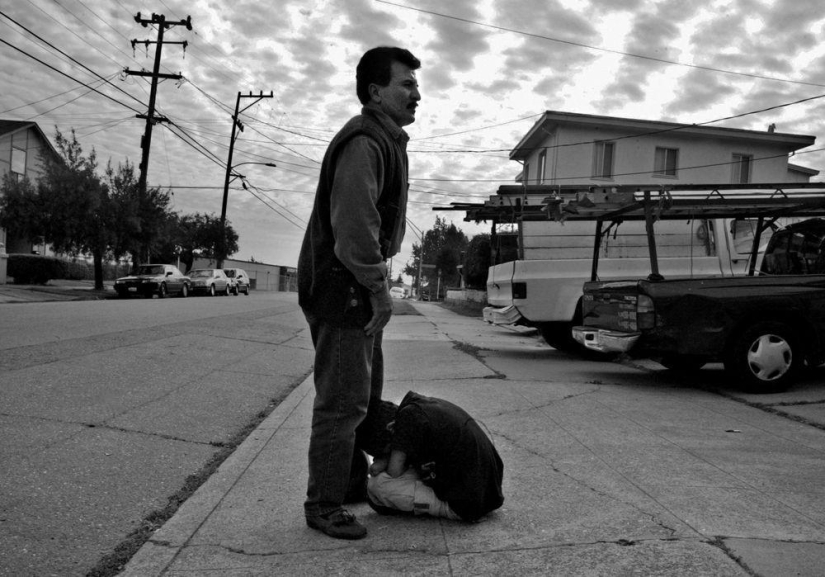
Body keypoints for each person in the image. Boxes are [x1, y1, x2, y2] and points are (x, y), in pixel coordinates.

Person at [297, 46, 422, 540]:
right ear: (375, 91)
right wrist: (379, 289)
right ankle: (323, 506)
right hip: (343, 287)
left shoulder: (386, 140)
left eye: (415, 84)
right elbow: (353, 229)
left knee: (362, 399)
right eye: (406, 84)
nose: (417, 93)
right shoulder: (365, 141)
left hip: (353, 286)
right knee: (343, 402)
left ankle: (347, 486)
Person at [366, 392, 505, 522]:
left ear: (389, 428)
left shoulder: (405, 422)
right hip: (489, 490)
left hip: (467, 505)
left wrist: (384, 459)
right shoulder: (417, 405)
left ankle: (441, 507)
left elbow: (394, 472)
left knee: (377, 485)